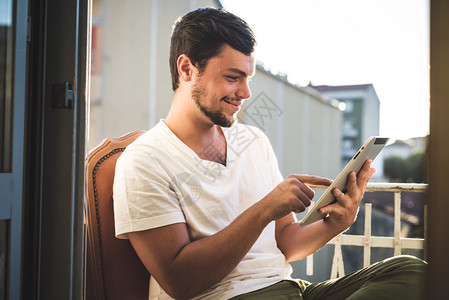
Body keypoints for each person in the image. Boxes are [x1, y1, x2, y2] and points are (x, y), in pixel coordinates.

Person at [113, 7, 426, 300]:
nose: (246, 93)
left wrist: (336, 223)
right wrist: (265, 209)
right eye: (233, 77)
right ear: (186, 69)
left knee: (414, 274)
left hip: (289, 288)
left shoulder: (253, 140)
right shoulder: (143, 161)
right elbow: (180, 281)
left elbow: (286, 242)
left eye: (248, 79)